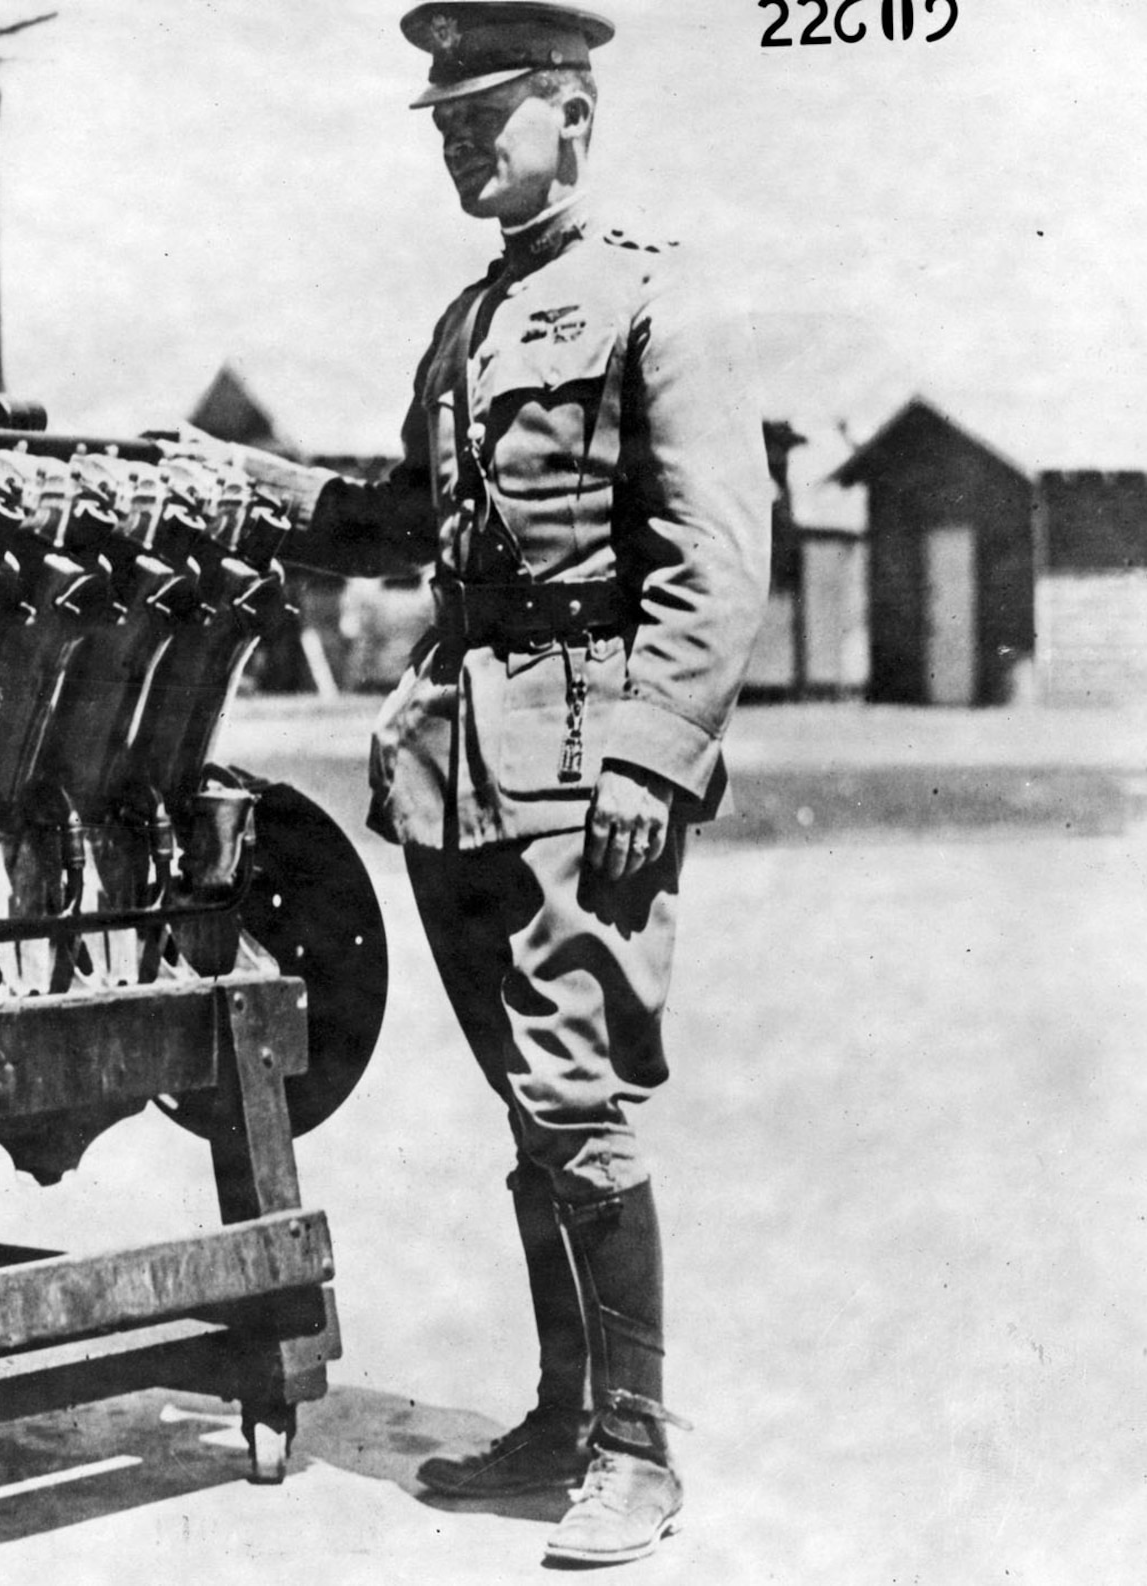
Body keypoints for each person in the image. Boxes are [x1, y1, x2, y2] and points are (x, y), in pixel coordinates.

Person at [237, 2, 771, 1566]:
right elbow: (411, 516)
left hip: (584, 760)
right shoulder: (466, 327)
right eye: (448, 120)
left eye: (492, 112)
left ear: (575, 113)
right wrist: (246, 490)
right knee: (524, 1100)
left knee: (575, 1094)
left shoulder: (652, 301)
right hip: (460, 765)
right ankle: (561, 1415)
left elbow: (714, 563)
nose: (466, 140)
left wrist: (654, 757)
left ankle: (637, 1447)